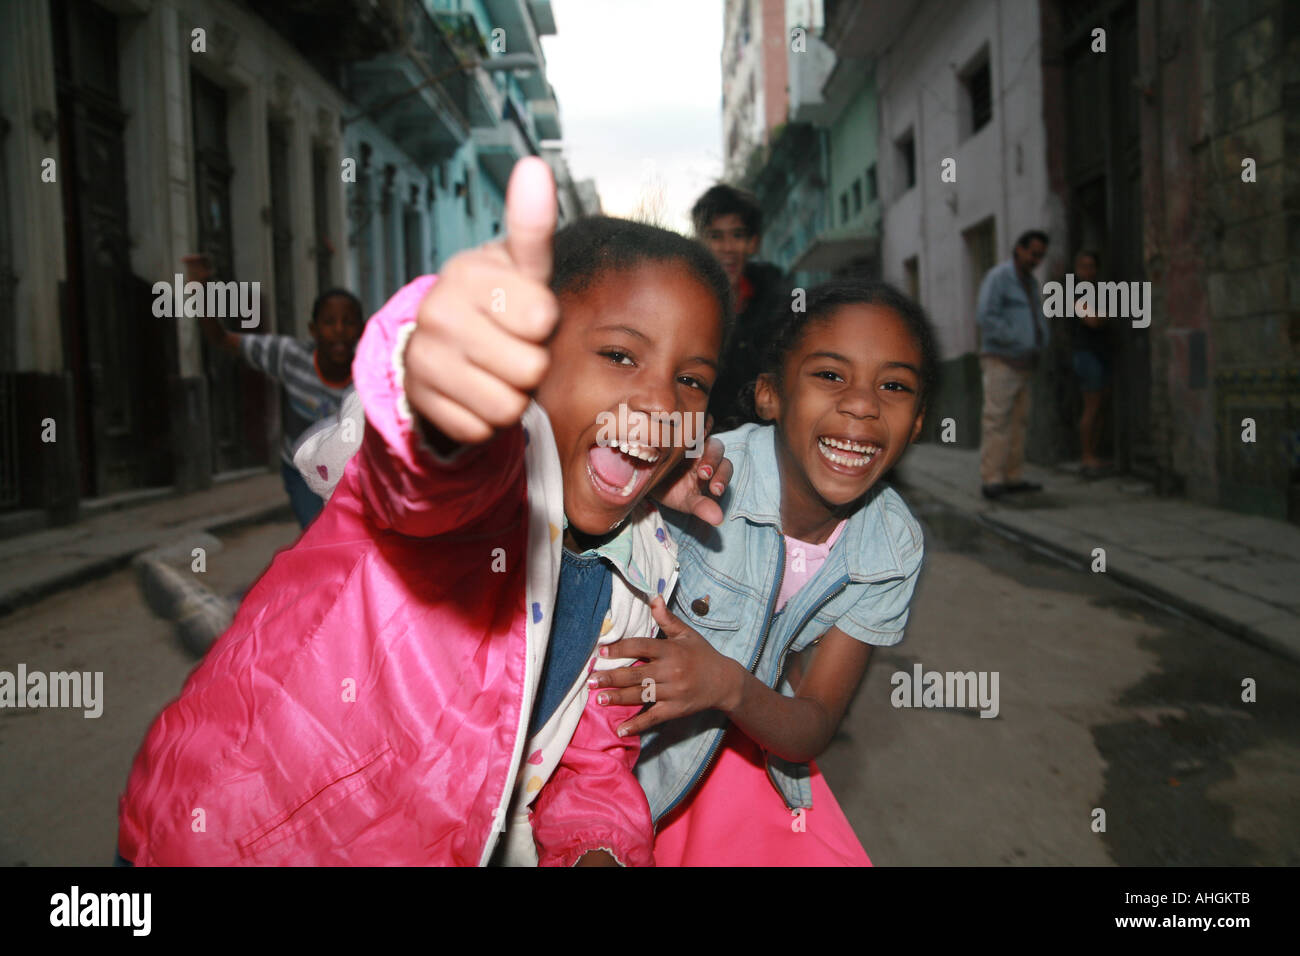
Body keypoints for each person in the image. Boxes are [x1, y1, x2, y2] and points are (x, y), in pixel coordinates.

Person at [116, 159, 732, 867]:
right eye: (621, 354)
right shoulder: (483, 475)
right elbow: (421, 471)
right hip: (227, 838)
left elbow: (589, 757)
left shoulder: (642, 570)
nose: (660, 402)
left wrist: (600, 849)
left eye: (692, 379)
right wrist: (443, 392)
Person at [590, 278, 937, 865]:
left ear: (920, 423)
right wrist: (641, 490)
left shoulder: (892, 548)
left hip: (746, 740)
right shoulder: (701, 473)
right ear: (771, 396)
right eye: (830, 375)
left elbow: (814, 722)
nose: (862, 403)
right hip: (604, 743)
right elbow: (569, 536)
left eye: (894, 385)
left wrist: (727, 684)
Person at [189, 251, 363, 528]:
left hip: (352, 475)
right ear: (313, 330)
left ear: (361, 331)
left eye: (349, 322)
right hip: (302, 472)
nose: (339, 330)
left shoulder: (371, 374)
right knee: (317, 531)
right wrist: (200, 287)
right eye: (329, 323)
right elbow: (221, 339)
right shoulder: (289, 356)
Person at [692, 184, 789, 432]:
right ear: (700, 241)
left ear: (753, 243)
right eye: (715, 236)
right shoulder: (684, 303)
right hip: (699, 446)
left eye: (737, 235)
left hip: (765, 440)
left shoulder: (779, 300)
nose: (728, 248)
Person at [976, 229, 1050, 500]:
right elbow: (986, 316)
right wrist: (1018, 340)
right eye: (1033, 253)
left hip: (1024, 363)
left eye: (1040, 256)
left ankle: (1012, 476)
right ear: (1019, 249)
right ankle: (991, 479)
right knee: (997, 420)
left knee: (1020, 421)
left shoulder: (1029, 282)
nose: (1036, 260)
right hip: (1001, 361)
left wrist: (1039, 341)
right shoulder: (999, 278)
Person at [1069, 250, 1113, 479]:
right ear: (1077, 269)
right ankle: (1086, 456)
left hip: (1099, 353)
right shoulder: (1075, 292)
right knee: (1092, 406)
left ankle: (1093, 453)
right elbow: (1092, 320)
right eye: (1084, 266)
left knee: (1101, 404)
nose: (1089, 271)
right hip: (1086, 354)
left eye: (1092, 266)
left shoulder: (1096, 291)